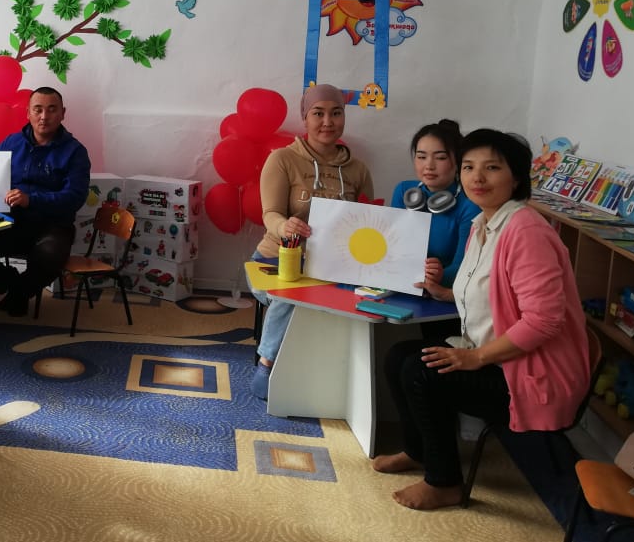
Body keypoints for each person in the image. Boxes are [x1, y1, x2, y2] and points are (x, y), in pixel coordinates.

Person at [373, 129, 591, 510]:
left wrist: (474, 358)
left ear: (516, 177)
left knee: (422, 373)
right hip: (498, 356)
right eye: (469, 167)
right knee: (399, 357)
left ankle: (445, 483)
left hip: (530, 372)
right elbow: (483, 291)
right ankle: (419, 451)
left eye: (492, 168)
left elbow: (544, 321)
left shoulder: (525, 231)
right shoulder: (483, 224)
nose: (477, 177)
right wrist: (442, 292)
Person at [249, 83, 374, 400]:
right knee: (295, 293)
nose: (328, 122)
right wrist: (284, 225)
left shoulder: (358, 170)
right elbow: (270, 214)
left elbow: (368, 223)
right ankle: (267, 364)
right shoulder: (282, 159)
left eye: (336, 113)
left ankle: (348, 378)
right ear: (305, 118)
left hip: (331, 267)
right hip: (274, 261)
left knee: (367, 297)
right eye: (318, 113)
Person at [0, 87, 91, 317]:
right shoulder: (11, 143)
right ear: (28, 113)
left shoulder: (76, 152)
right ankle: (11, 282)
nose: (44, 116)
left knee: (51, 254)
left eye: (52, 110)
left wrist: (31, 200)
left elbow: (75, 198)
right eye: (38, 109)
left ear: (63, 113)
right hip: (10, 221)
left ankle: (19, 294)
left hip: (54, 225)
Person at [390, 119, 480, 290]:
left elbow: (464, 269)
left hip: (441, 294)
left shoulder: (470, 205)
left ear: (458, 161)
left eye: (440, 158)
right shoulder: (403, 191)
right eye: (421, 157)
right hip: (399, 284)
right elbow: (392, 247)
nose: (429, 166)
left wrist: (440, 276)